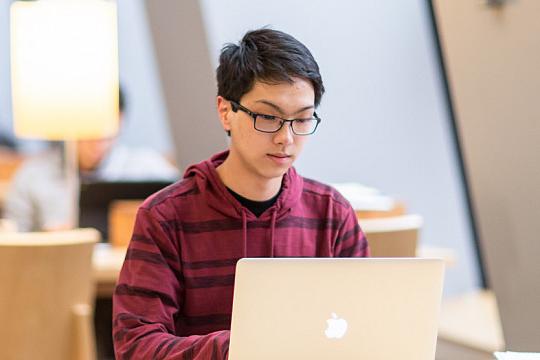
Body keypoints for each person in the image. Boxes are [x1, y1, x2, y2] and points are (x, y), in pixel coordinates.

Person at [112, 28, 369, 359]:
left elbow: (364, 326)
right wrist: (240, 347)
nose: (286, 138)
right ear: (225, 112)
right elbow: (135, 345)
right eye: (268, 117)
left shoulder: (332, 214)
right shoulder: (165, 217)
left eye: (302, 119)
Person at [4, 88, 179, 232]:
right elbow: (14, 238)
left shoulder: (148, 169)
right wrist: (47, 239)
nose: (97, 140)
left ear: (121, 120)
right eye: (90, 129)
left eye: (106, 129)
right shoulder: (32, 176)